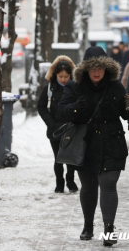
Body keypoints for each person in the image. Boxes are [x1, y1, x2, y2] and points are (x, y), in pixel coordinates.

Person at [58, 46, 129, 246]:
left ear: (106, 68)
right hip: (86, 144)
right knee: (89, 186)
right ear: (85, 69)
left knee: (109, 184)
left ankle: (109, 228)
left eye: (100, 67)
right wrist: (77, 107)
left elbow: (126, 113)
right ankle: (88, 224)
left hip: (112, 142)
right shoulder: (74, 87)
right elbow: (62, 112)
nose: (96, 72)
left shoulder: (115, 86)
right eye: (92, 67)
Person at [38, 55, 78, 194]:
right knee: (58, 158)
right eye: (60, 76)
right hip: (55, 129)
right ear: (55, 75)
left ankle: (70, 180)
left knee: (71, 158)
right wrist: (51, 123)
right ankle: (59, 183)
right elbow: (41, 107)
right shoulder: (49, 88)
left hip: (71, 128)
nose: (63, 79)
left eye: (66, 76)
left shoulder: (75, 88)